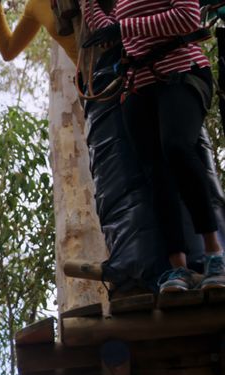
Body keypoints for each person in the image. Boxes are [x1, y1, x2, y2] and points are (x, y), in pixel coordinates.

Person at [83, 0, 225, 292]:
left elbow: (187, 17)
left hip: (181, 70)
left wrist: (123, 27)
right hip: (139, 83)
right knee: (155, 173)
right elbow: (107, 30)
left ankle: (215, 255)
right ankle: (178, 268)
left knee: (177, 148)